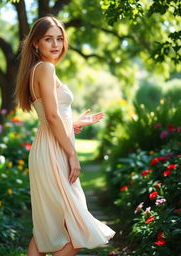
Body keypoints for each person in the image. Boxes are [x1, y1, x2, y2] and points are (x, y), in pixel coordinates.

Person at [15, 15, 116, 256]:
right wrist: (73, 155)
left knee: (46, 230)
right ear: (35, 43)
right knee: (76, 229)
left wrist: (73, 123)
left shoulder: (36, 70)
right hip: (54, 153)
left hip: (45, 148)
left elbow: (52, 115)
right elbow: (50, 117)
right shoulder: (46, 68)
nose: (56, 44)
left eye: (59, 38)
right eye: (48, 39)